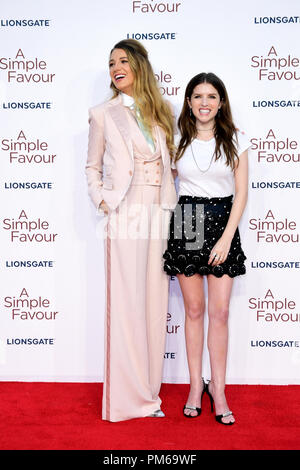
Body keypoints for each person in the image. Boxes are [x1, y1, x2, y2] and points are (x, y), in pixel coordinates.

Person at [85, 39, 177, 422]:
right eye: (111, 63)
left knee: (155, 303)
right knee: (125, 304)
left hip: (160, 210)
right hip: (125, 210)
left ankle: (148, 393)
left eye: (123, 61)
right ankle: (124, 401)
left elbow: (172, 165)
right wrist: (102, 200)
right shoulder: (102, 113)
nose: (115, 68)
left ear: (139, 66)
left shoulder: (162, 111)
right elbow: (91, 166)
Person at [163, 72, 249, 425]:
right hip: (187, 221)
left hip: (223, 221)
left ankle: (220, 390)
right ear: (188, 102)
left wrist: (227, 237)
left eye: (211, 96)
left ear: (221, 102)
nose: (204, 103)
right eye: (197, 96)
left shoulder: (236, 140)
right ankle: (195, 387)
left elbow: (242, 193)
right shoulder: (177, 140)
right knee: (194, 310)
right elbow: (165, 184)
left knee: (221, 312)